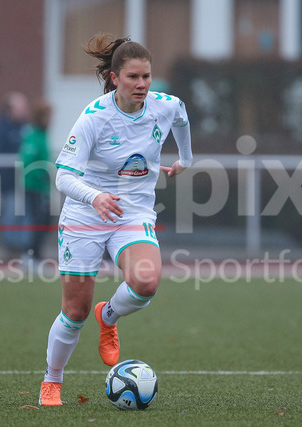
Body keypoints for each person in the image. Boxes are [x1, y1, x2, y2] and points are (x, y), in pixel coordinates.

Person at [38, 34, 193, 406]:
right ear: (114, 78)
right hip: (85, 214)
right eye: (133, 77)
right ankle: (52, 380)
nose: (141, 84)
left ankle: (108, 317)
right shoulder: (94, 117)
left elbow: (181, 114)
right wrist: (95, 196)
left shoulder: (164, 105)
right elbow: (63, 178)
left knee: (146, 282)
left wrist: (185, 158)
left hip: (132, 213)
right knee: (75, 311)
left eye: (146, 76)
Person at [0, 92, 29, 257]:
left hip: (25, 182)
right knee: (11, 214)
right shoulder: (3, 129)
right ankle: (10, 248)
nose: (23, 111)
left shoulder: (25, 128)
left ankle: (23, 248)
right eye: (19, 108)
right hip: (10, 183)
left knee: (25, 215)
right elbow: (0, 156)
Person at [18, 99, 52, 267]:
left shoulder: (42, 135)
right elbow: (28, 162)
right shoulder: (33, 135)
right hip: (33, 186)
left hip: (42, 187)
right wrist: (42, 174)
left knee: (45, 220)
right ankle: (30, 256)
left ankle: (35, 255)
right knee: (38, 220)